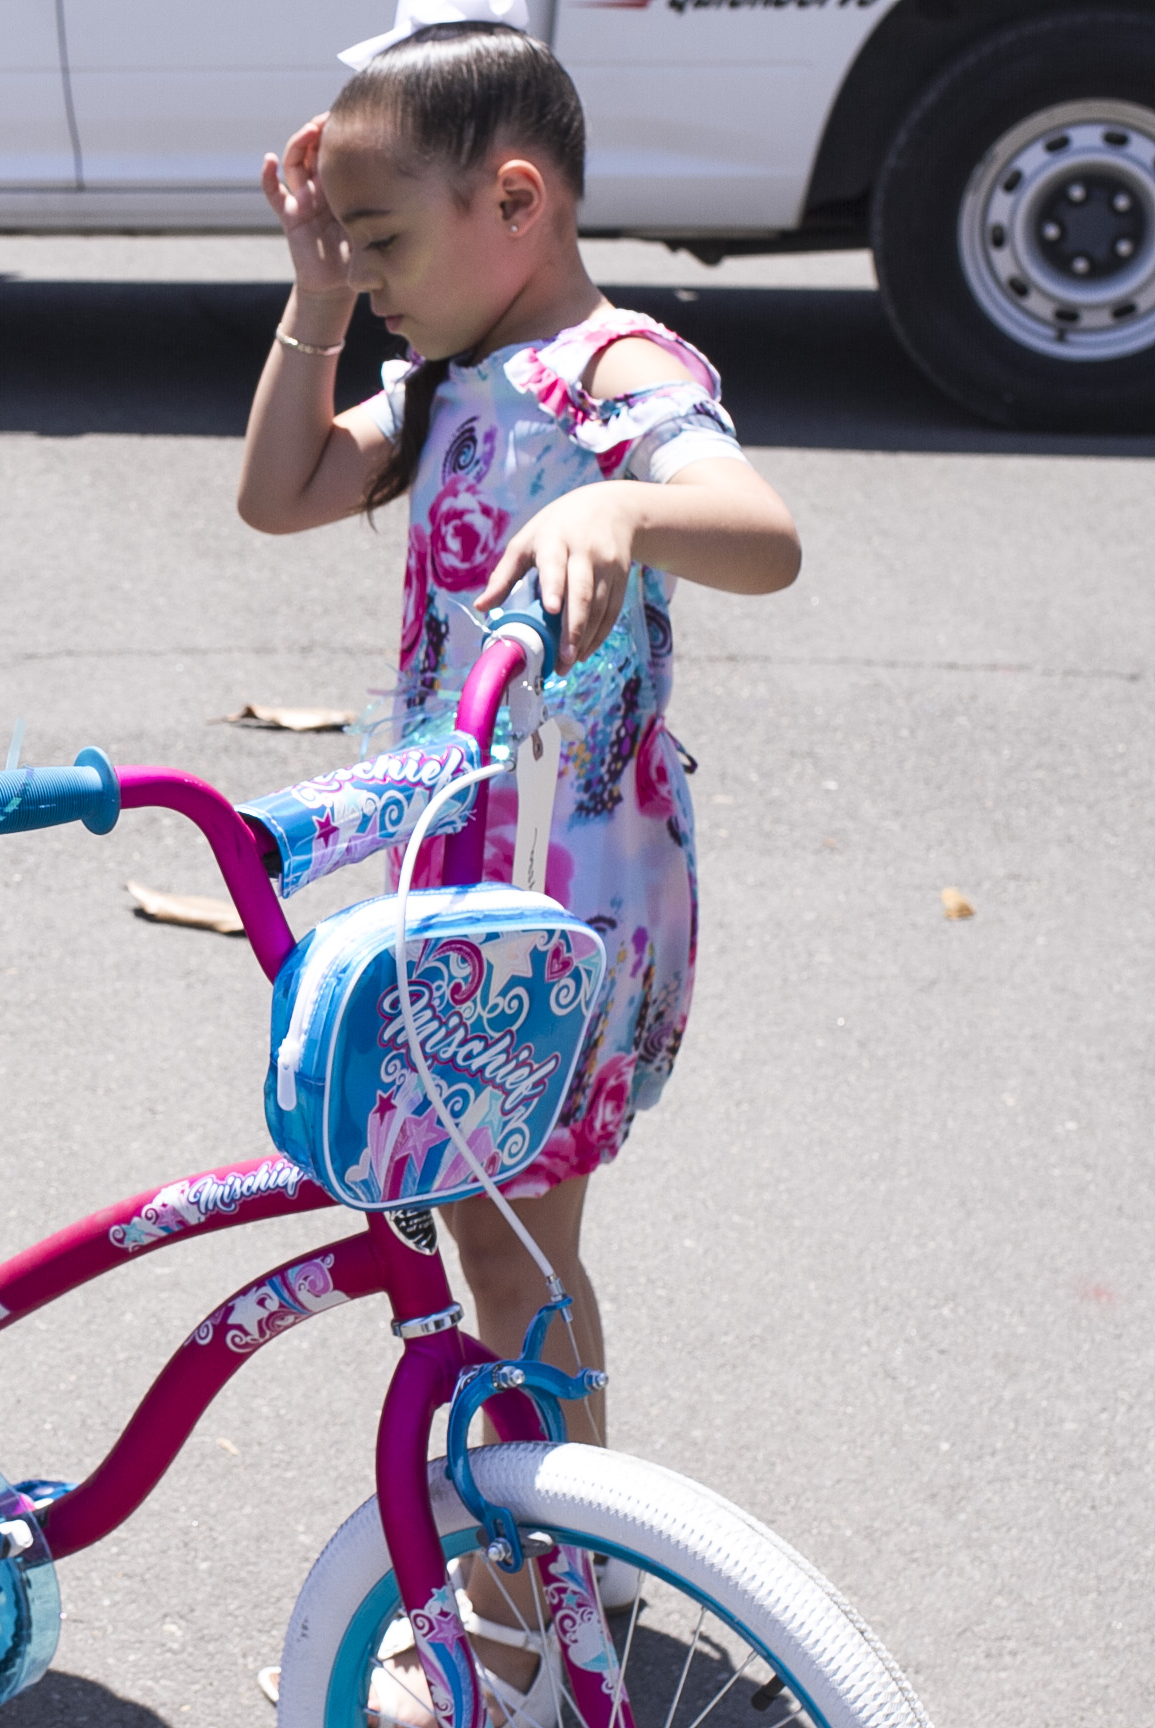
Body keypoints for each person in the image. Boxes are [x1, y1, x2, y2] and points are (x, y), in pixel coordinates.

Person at [234, 20, 800, 1723]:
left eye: (384, 238)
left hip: (560, 894)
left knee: (510, 1246)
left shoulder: (615, 372)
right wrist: (317, 301)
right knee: (499, 1231)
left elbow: (761, 530)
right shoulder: (444, 379)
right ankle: (563, 1568)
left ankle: (538, 1605)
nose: (373, 274)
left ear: (517, 200)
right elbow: (281, 491)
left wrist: (625, 514)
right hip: (461, 869)